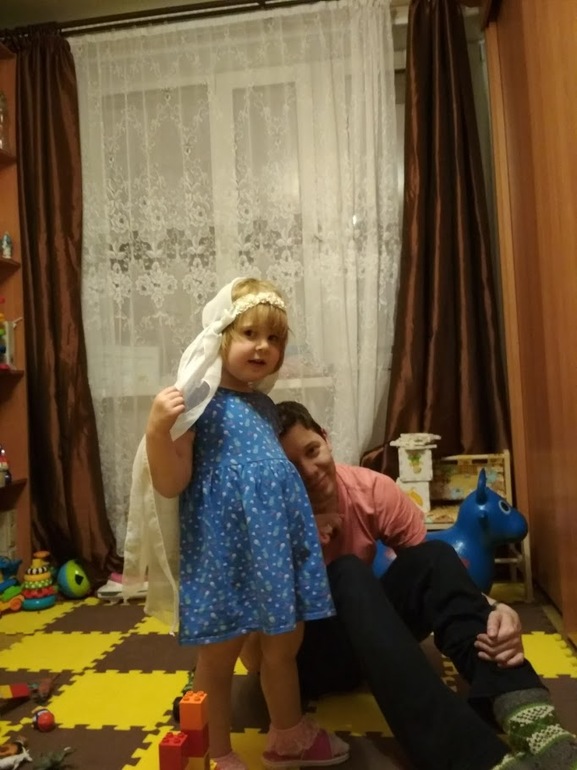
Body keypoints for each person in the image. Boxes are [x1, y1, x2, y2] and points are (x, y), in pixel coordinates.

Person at [241, 400, 577, 770]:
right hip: (305, 661)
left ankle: (532, 718)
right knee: (348, 572)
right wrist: (298, 547)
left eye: (312, 451)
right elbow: (253, 660)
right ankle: (475, 761)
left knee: (434, 556)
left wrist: (495, 609)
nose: (309, 471)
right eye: (291, 466)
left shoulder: (372, 490)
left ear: (326, 438)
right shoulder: (266, 519)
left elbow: (440, 579)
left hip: (372, 643)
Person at [125, 280, 349, 770]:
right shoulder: (198, 402)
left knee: (284, 645)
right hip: (223, 554)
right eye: (250, 333)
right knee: (218, 656)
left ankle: (287, 735)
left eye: (275, 339)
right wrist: (158, 429)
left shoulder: (264, 406)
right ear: (220, 335)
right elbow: (171, 481)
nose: (263, 347)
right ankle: (217, 751)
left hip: (273, 550)